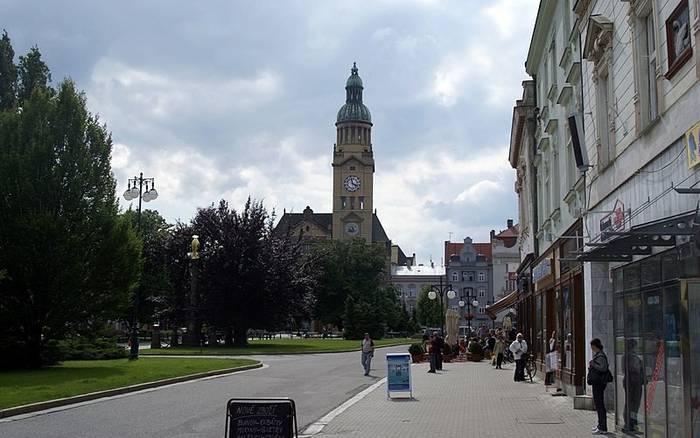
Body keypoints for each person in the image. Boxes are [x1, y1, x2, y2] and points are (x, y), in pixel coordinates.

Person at [588, 338, 611, 435]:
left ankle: (603, 427)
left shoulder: (601, 356)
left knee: (600, 404)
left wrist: (593, 364)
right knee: (598, 404)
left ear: (595, 346)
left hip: (599, 383)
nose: (591, 348)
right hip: (597, 383)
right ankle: (600, 425)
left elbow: (603, 368)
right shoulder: (598, 355)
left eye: (592, 346)